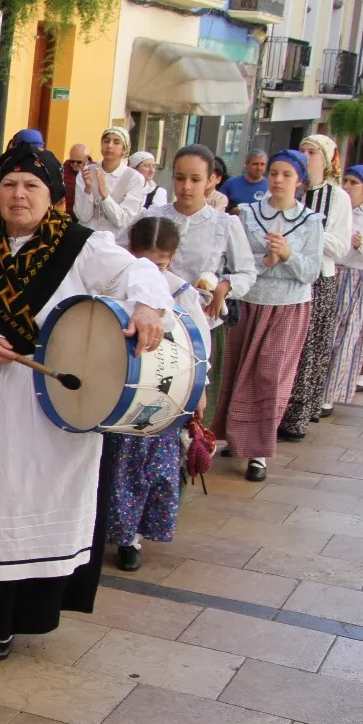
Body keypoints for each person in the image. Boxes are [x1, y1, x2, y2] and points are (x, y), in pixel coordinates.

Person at [0, 143, 168, 661]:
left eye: (31, 186)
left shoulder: (81, 247)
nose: (18, 195)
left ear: (52, 195)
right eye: (9, 185)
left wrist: (149, 307)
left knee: (42, 498)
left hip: (57, 406)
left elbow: (140, 273)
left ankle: (35, 610)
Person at [104, 216, 209, 572]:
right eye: (144, 261)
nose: (153, 271)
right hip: (120, 391)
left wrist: (200, 392)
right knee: (118, 468)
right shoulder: (117, 287)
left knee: (154, 469)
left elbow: (200, 344)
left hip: (164, 393)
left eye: (161, 264)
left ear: (173, 257)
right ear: (130, 253)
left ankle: (133, 536)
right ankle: (117, 533)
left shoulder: (182, 292)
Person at [213, 150, 324, 483]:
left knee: (269, 377)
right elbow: (235, 262)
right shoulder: (246, 215)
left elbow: (311, 272)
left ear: (299, 181)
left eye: (286, 175)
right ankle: (234, 437)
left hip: (287, 308)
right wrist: (266, 262)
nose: (277, 179)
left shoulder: (311, 221)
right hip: (248, 303)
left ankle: (258, 452)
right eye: (274, 173)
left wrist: (287, 255)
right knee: (232, 372)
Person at [140, 144, 255, 425]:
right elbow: (126, 260)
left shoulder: (224, 224)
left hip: (203, 324)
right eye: (180, 178)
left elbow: (247, 273)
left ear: (211, 180)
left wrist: (224, 287)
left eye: (195, 179)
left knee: (194, 411)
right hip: (156, 322)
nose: (186, 187)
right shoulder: (151, 218)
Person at [279, 134, 352, 439]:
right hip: (284, 275)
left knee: (309, 346)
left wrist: (309, 235)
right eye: (304, 150)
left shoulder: (338, 197)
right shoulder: (292, 190)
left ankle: (298, 416)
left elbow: (341, 245)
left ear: (327, 158)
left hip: (319, 277)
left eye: (313, 152)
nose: (307, 156)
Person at [325, 165, 363, 409]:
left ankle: (330, 394)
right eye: (346, 181)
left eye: (353, 183)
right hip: (335, 273)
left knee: (347, 336)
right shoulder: (336, 210)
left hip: (358, 278)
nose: (347, 187)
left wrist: (362, 246)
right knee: (327, 333)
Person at [73, 125, 142, 238]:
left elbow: (124, 220)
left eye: (116, 142)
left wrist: (104, 194)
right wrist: (88, 189)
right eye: (106, 141)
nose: (110, 146)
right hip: (88, 239)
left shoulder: (134, 178)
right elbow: (82, 216)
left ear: (124, 148)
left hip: (117, 241)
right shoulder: (86, 172)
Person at [62, 143, 91, 215]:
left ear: (86, 158)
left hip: (84, 216)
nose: (74, 164)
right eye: (72, 161)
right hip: (66, 215)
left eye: (78, 162)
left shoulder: (93, 170)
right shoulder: (66, 167)